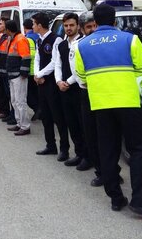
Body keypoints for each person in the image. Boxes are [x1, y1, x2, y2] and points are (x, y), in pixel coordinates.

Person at [75, 3, 142, 221]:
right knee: (139, 150)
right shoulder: (129, 39)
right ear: (115, 21)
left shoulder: (83, 45)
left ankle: (116, 198)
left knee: (107, 151)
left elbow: (82, 78)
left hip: (100, 106)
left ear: (94, 22)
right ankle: (140, 202)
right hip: (128, 103)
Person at [66, 12, 107, 187]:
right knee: (92, 136)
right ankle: (101, 171)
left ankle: (112, 171)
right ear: (82, 29)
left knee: (106, 136)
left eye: (95, 26)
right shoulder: (79, 46)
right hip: (87, 93)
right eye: (89, 27)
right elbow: (77, 73)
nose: (93, 30)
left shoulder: (106, 44)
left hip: (106, 94)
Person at [55, 13, 90, 169]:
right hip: (64, 90)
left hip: (79, 89)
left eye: (71, 25)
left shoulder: (83, 43)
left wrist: (68, 82)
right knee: (72, 124)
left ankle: (88, 157)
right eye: (66, 25)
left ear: (78, 26)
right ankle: (79, 153)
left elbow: (80, 70)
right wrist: (58, 81)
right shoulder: (62, 45)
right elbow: (57, 64)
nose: (68, 28)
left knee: (83, 125)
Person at [33, 12, 69, 162]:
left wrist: (41, 74)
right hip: (40, 83)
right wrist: (36, 75)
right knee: (45, 116)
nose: (33, 26)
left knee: (57, 117)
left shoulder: (56, 39)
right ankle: (50, 145)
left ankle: (64, 149)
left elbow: (55, 62)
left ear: (40, 25)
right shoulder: (39, 40)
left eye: (34, 23)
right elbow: (37, 58)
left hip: (51, 84)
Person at [4, 20, 32, 136]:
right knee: (15, 100)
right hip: (12, 74)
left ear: (8, 29)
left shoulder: (20, 39)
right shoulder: (13, 39)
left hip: (19, 76)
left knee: (20, 101)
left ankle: (25, 126)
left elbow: (26, 57)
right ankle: (19, 123)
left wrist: (23, 74)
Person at [23, 18, 39, 121]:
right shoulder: (37, 36)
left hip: (31, 70)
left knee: (29, 95)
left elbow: (30, 55)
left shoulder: (28, 38)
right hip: (37, 70)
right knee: (36, 93)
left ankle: (38, 109)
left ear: (24, 27)